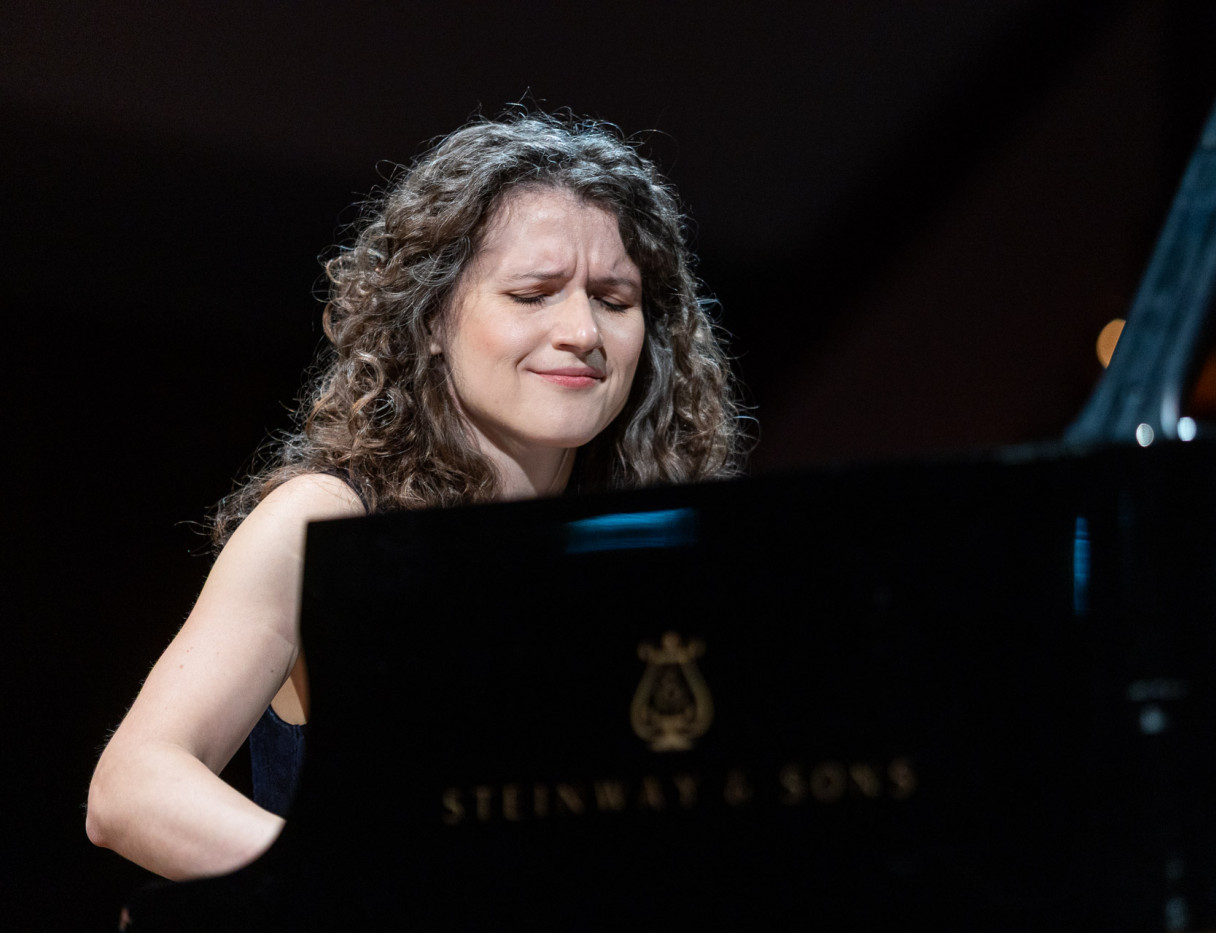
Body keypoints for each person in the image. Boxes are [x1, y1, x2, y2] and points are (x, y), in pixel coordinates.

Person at [85, 112, 745, 880]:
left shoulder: (653, 542)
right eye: (533, 293)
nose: (583, 330)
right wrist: (375, 886)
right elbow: (131, 788)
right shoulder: (324, 520)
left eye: (614, 298)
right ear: (431, 317)